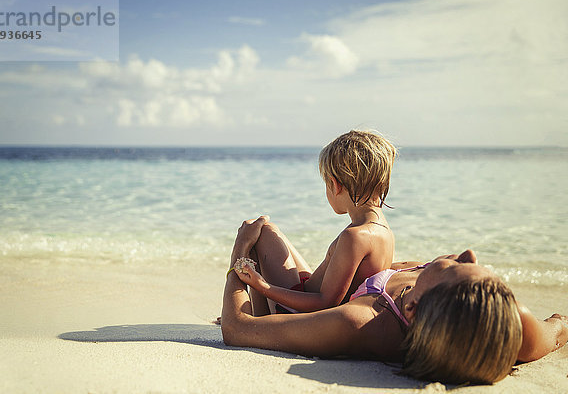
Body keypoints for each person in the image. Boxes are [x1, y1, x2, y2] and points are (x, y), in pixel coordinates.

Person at [221, 217, 568, 385]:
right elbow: (558, 328)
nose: (469, 254)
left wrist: (239, 253)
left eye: (457, 268)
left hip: (310, 309)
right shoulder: (505, 319)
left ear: (412, 306)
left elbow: (237, 330)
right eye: (479, 270)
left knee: (261, 230)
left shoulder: (359, 321)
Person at [242, 130, 397, 315]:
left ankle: (256, 317)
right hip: (308, 296)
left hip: (301, 313)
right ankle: (257, 313)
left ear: (335, 185)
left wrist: (263, 287)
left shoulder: (355, 236)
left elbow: (325, 302)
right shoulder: (383, 230)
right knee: (271, 230)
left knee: (263, 233)